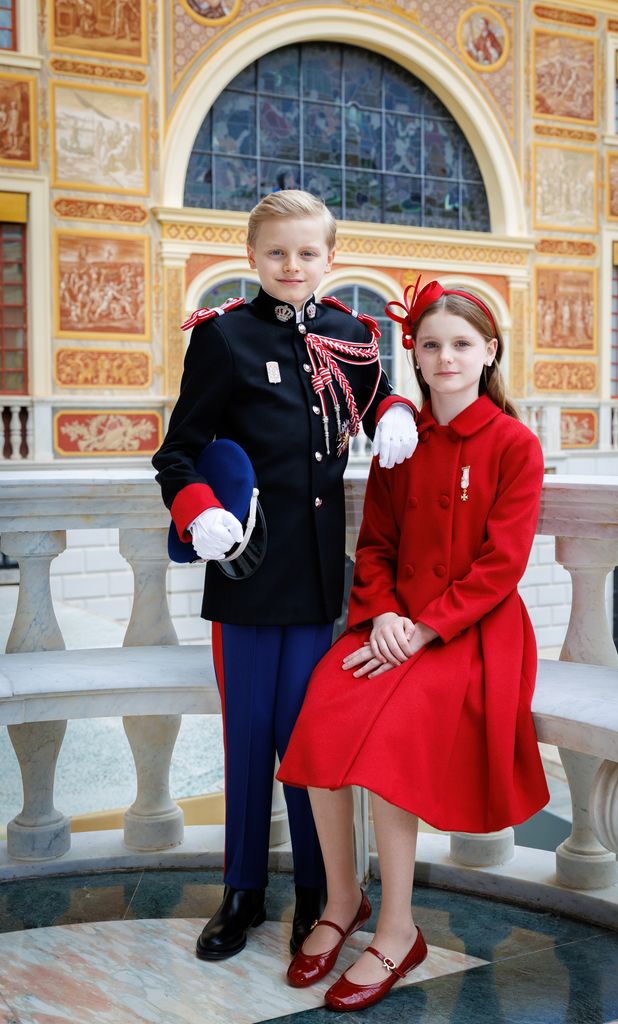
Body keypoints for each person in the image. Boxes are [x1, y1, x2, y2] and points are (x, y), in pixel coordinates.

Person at [152, 190, 418, 962]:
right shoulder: (224, 337)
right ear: (252, 257)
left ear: (331, 259)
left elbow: (374, 410)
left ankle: (318, 894)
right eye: (277, 253)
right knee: (247, 741)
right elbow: (176, 451)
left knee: (311, 744)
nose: (292, 265)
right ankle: (241, 892)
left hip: (315, 587)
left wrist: (395, 407)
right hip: (243, 576)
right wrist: (196, 507)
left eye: (307, 253)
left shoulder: (353, 334)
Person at [278, 277, 550, 1012]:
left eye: (461, 343)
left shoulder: (514, 445)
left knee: (391, 738)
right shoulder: (402, 443)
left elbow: (502, 564)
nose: (445, 356)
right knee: (320, 715)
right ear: (416, 359)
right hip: (392, 622)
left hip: (472, 633)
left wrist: (427, 627)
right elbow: (375, 546)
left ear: (488, 352)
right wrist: (386, 614)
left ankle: (397, 931)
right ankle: (342, 902)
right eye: (430, 345)